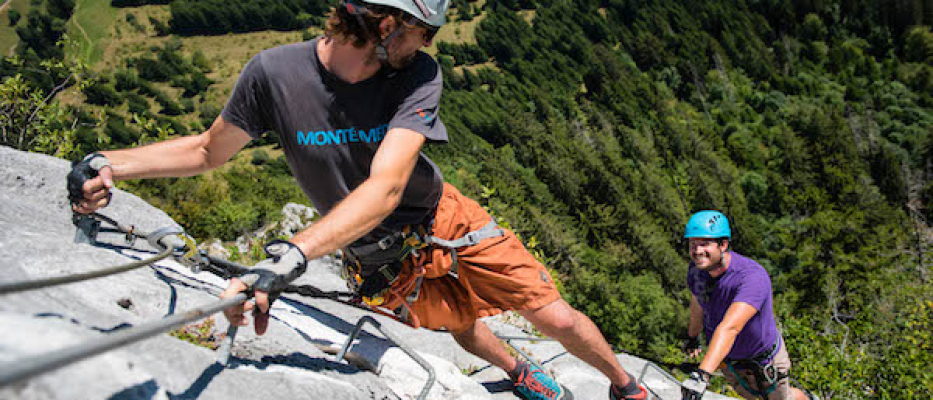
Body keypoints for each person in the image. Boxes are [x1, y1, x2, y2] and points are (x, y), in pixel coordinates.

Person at [67, 1, 648, 399]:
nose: (431, 43)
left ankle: (625, 385)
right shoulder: (274, 73)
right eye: (427, 29)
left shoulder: (416, 74)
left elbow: (388, 184)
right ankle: (521, 373)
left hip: (440, 216)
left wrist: (290, 257)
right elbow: (206, 151)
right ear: (390, 23)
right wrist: (109, 164)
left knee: (549, 313)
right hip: (372, 254)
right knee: (462, 323)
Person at [679, 211, 813, 400]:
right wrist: (692, 336)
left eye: (705, 244)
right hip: (731, 362)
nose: (698, 251)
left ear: (723, 245)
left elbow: (730, 327)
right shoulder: (697, 271)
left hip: (764, 360)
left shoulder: (751, 277)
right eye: (693, 244)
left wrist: (702, 375)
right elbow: (698, 303)